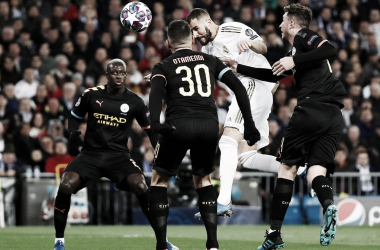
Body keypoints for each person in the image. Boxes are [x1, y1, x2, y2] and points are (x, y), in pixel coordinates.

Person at [221, 3, 347, 248]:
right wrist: (238, 68)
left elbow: (329, 48)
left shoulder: (302, 36)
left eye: (282, 20)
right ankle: (329, 206)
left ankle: (273, 235)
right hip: (333, 115)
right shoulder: (296, 50)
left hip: (310, 110)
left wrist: (293, 61)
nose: (279, 25)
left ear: (292, 23)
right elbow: (273, 74)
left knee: (286, 170)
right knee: (315, 172)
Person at [148, 20, 260, 250]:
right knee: (204, 180)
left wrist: (153, 124)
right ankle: (212, 244)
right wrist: (249, 124)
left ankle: (161, 244)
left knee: (159, 181)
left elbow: (155, 94)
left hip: (178, 125)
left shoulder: (163, 66)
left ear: (169, 43)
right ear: (191, 39)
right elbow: (239, 88)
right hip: (209, 127)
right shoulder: (211, 60)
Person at [186, 8, 305, 218]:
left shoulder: (233, 28)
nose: (195, 34)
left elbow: (263, 46)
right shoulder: (209, 51)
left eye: (196, 28)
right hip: (250, 94)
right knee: (246, 157)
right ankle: (296, 166)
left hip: (253, 86)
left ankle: (223, 201)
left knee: (227, 141)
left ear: (208, 21)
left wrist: (250, 43)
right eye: (191, 32)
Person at [53, 59, 178, 250]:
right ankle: (59, 241)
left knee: (141, 185)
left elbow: (150, 130)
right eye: (114, 72)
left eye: (122, 72)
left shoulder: (135, 101)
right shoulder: (91, 95)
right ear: (107, 74)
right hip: (91, 155)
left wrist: (159, 152)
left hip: (119, 156)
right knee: (66, 184)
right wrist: (73, 132)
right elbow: (74, 117)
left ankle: (163, 242)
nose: (118, 75)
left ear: (126, 75)